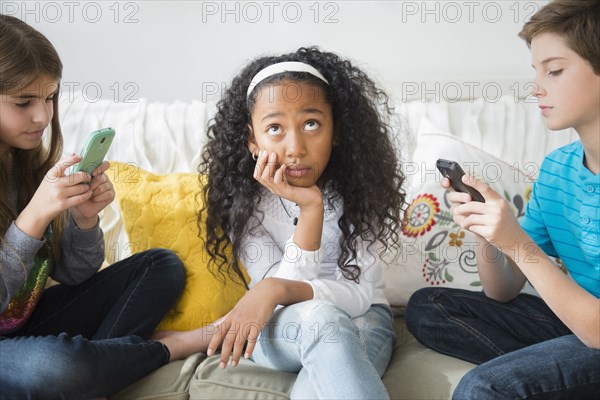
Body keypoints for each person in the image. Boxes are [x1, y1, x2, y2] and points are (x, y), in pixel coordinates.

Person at [0, 14, 219, 399]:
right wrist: (33, 218)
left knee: (161, 265)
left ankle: (97, 372)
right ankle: (165, 348)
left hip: (27, 325)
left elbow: (73, 275)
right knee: (58, 366)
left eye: (49, 97)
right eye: (24, 102)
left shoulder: (29, 165)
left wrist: (84, 223)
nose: (43, 116)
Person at [405, 1, 600, 398]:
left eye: (555, 70)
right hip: (578, 321)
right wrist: (485, 230)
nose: (537, 87)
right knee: (431, 306)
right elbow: (502, 291)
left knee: (486, 387)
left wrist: (517, 243)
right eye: (536, 71)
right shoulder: (557, 169)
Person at [198, 47, 406, 399]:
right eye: (275, 128)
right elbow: (280, 306)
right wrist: (310, 212)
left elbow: (358, 295)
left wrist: (275, 287)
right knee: (321, 320)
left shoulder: (362, 190)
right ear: (252, 139)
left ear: (336, 130)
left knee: (323, 355)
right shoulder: (245, 203)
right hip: (277, 327)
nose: (295, 147)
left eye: (311, 124)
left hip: (363, 320)